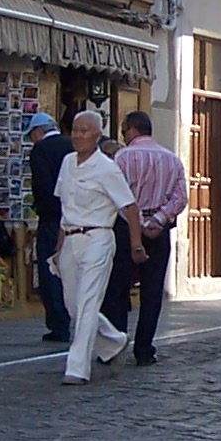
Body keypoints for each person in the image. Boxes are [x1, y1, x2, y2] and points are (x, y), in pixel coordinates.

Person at [53, 110, 147, 383]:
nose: (78, 135)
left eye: (84, 131)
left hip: (98, 238)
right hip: (71, 239)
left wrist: (135, 244)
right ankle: (114, 341)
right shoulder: (67, 163)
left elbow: (129, 207)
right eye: (75, 129)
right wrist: (59, 248)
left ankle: (77, 367)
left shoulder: (106, 168)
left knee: (87, 302)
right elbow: (64, 208)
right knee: (74, 306)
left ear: (97, 135)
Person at [102, 111, 187, 366]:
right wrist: (159, 220)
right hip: (157, 231)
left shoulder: (122, 157)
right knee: (152, 291)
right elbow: (180, 197)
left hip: (127, 228)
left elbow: (115, 194)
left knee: (117, 288)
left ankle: (115, 344)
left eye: (124, 130)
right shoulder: (172, 159)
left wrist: (136, 224)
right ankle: (144, 348)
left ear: (131, 130)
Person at [25, 112, 72, 341]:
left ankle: (59, 324)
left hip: (52, 219)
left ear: (38, 132)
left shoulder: (41, 150)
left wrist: (43, 210)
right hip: (75, 217)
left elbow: (42, 186)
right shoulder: (71, 144)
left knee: (51, 269)